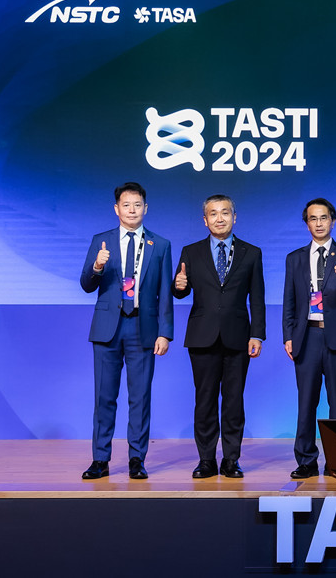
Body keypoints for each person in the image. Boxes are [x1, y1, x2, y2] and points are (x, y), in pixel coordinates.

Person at [79, 182, 173, 480]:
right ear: (116, 209)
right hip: (107, 328)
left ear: (146, 208)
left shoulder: (160, 245)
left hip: (143, 328)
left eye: (137, 205)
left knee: (140, 397)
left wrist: (165, 332)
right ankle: (100, 459)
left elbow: (165, 293)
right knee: (104, 397)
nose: (132, 210)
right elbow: (86, 284)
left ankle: (136, 459)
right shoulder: (101, 241)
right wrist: (97, 266)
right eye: (126, 205)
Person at [173, 194, 265, 479]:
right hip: (202, 336)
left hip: (238, 336)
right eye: (213, 213)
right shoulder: (191, 252)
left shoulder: (252, 252)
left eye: (225, 212)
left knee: (234, 401)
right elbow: (180, 291)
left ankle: (231, 460)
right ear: (205, 220)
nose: (219, 218)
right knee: (205, 401)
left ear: (234, 217)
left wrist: (257, 334)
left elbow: (257, 298)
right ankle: (206, 460)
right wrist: (178, 286)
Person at [282, 198, 336, 479]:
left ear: (333, 220)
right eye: (313, 219)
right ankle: (306, 460)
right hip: (306, 336)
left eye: (324, 218)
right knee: (306, 402)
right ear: (307, 223)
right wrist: (288, 335)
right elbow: (289, 300)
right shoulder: (294, 258)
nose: (319, 223)